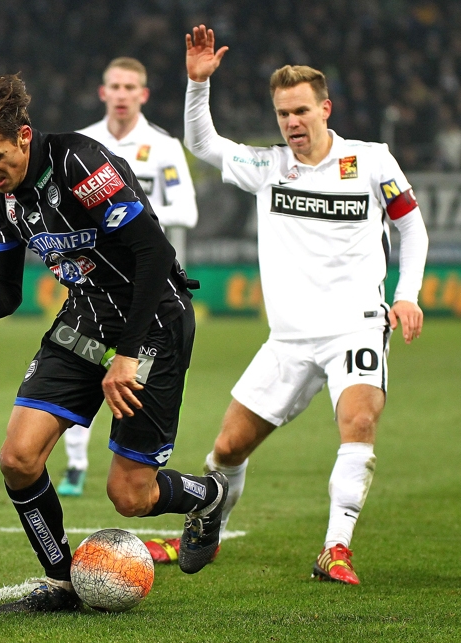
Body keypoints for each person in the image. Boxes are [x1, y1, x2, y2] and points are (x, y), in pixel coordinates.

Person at [0, 74, 227, 613]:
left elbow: (153, 255)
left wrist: (126, 353)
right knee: (17, 459)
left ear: (24, 136)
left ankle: (208, 496)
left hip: (154, 323)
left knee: (130, 496)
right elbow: (8, 290)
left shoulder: (79, 162)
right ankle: (62, 582)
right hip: (84, 319)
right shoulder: (1, 196)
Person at [181, 25, 429, 584]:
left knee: (359, 421)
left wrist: (406, 295)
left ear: (325, 109)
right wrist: (199, 85)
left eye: (300, 111)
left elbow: (412, 230)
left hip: (356, 327)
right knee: (226, 448)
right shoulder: (270, 169)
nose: (291, 123)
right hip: (289, 338)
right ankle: (208, 528)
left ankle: (334, 549)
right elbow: (203, 144)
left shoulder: (371, 162)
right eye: (282, 114)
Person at [58, 57, 199, 505]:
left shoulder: (162, 147)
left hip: (147, 289)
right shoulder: (82, 144)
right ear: (103, 92)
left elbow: (187, 210)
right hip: (92, 288)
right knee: (80, 367)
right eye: (114, 85)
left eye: (130, 86)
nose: (121, 93)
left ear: (143, 94)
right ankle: (76, 463)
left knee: (125, 376)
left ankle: (132, 465)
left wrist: (130, 217)